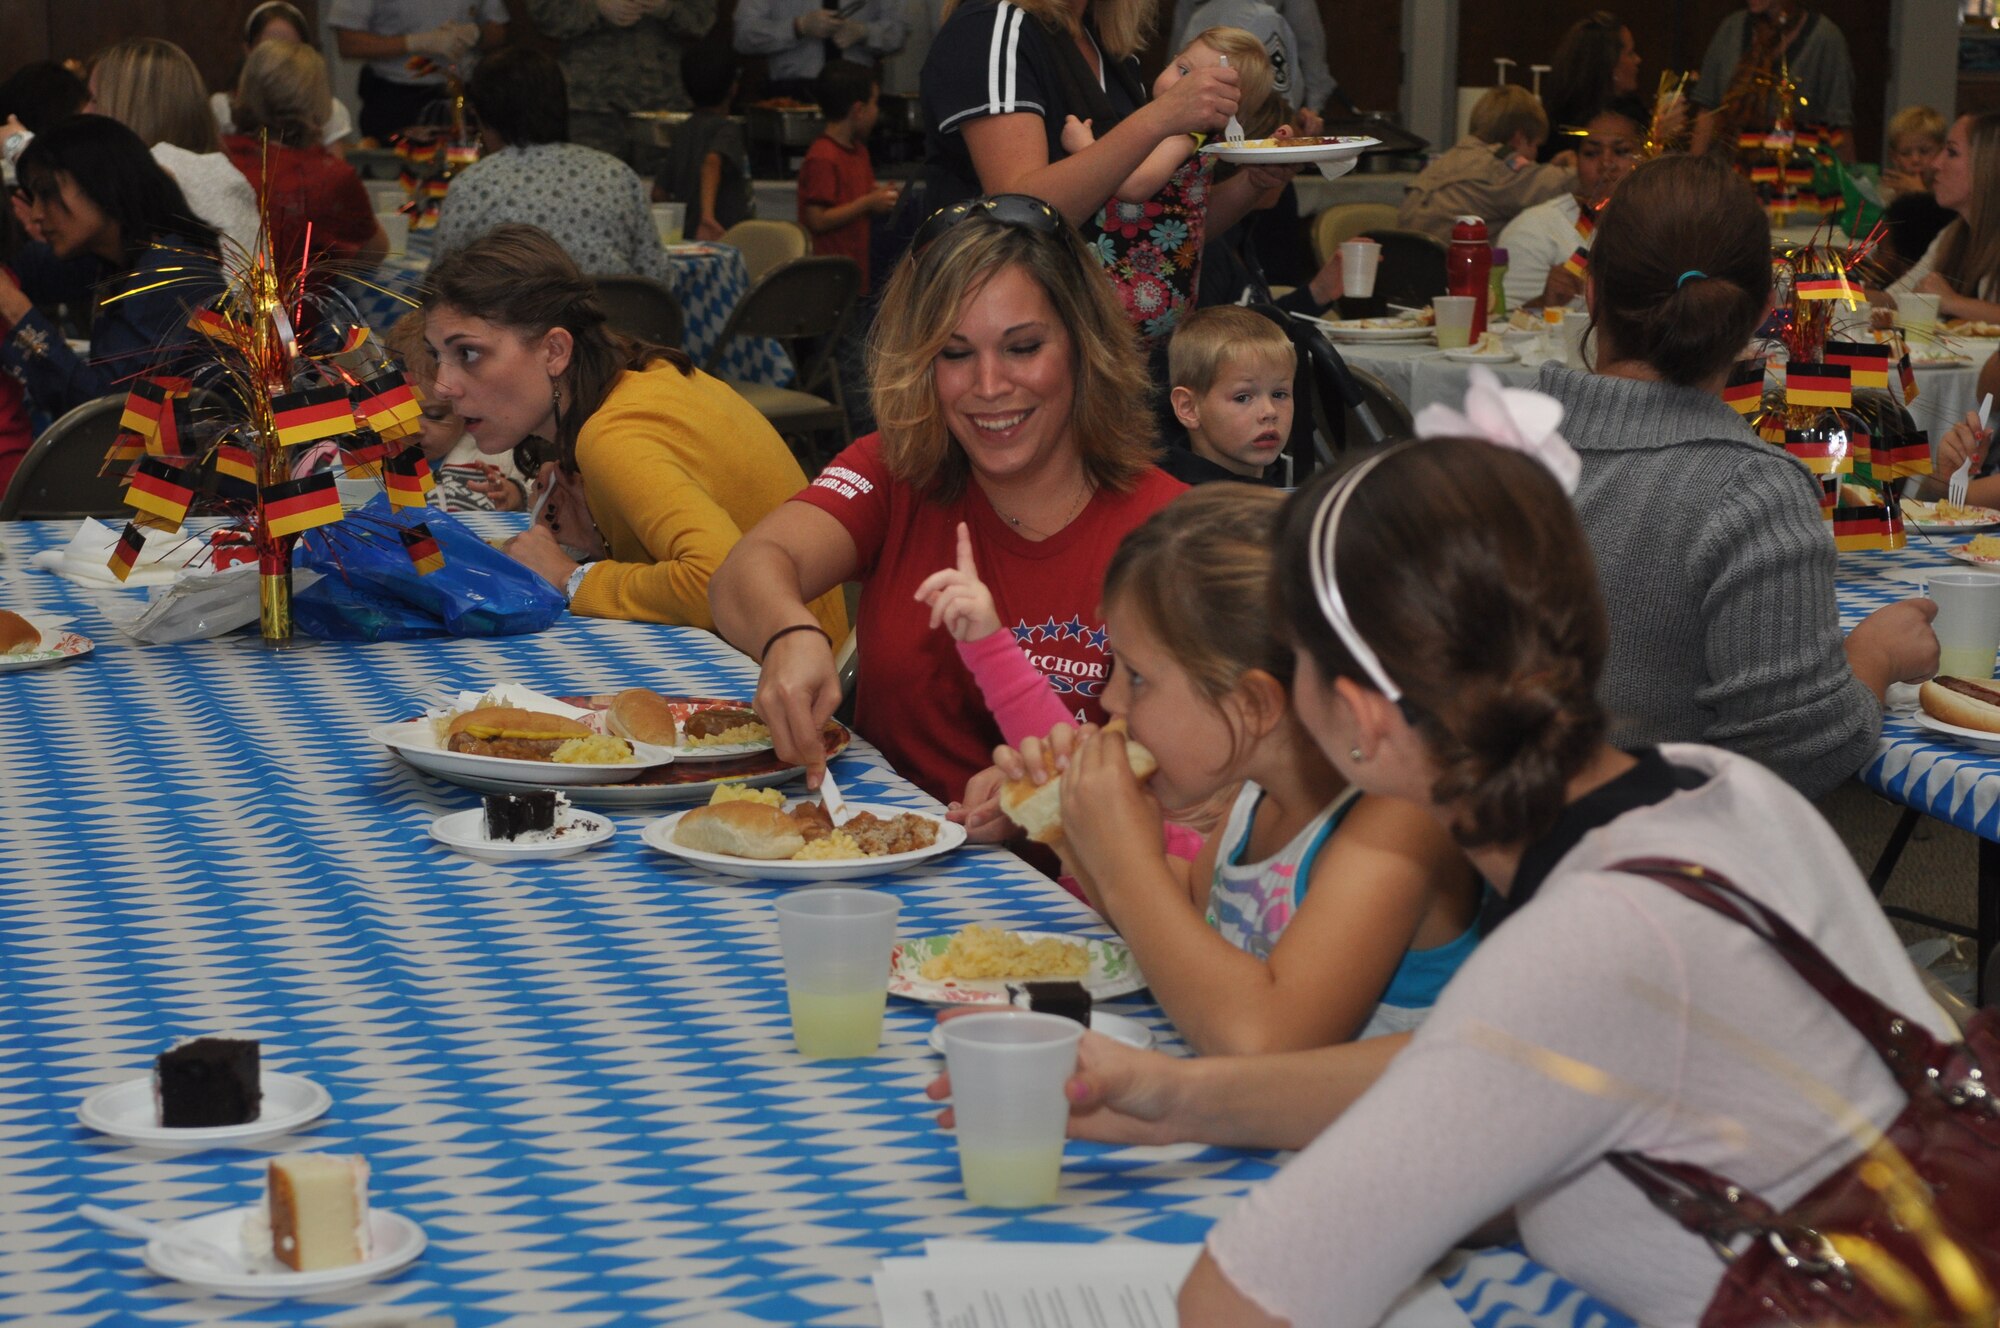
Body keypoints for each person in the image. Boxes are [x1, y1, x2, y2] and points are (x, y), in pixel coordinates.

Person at [936, 425, 1958, 1327]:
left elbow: (1236, 1301)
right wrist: (1182, 1095)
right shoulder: (1714, 784)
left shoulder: (1585, 945)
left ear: (1362, 722)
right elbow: (1465, 1063)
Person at [708, 196, 1186, 804]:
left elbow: (1191, 792)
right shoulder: (894, 469)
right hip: (874, 855)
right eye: (955, 354)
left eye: (1022, 348)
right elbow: (744, 571)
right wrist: (787, 633)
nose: (988, 387)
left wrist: (1045, 798)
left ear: (1084, 346)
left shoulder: (1171, 533)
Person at [995, 485, 1482, 1052]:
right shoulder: (1257, 797)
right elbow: (1185, 927)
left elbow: (1264, 1038)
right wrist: (1072, 826)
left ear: (1252, 705)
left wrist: (1125, 864)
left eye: (1136, 677)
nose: (1109, 702)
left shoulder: (1396, 824)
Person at [1538, 153, 1936, 799]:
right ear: (1765, 312)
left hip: (1477, 862)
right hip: (1657, 866)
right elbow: (1799, 752)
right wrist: (1876, 657)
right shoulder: (1749, 494)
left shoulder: (1486, 451)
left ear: (1591, 292)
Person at [423, 223, 847, 634]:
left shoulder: (612, 433)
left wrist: (572, 576)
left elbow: (719, 583)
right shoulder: (640, 372)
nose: (443, 385)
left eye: (469, 353)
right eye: (438, 355)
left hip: (777, 681)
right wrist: (602, 540)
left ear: (555, 350)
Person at [913, 0, 1287, 244]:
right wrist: (1162, 116)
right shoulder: (993, 27)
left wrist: (1251, 185)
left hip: (1096, 326)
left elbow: (1164, 229)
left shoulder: (1109, 48)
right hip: (999, 316)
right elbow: (1016, 212)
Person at [1061, 26, 1283, 342]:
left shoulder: (1183, 134)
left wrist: (1084, 145)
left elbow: (1135, 187)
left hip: (1138, 291)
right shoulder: (1186, 131)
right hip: (1156, 287)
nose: (1182, 90)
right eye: (1182, 70)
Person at [0, 116, 221, 420]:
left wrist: (17, 312)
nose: (36, 213)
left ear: (100, 182)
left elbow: (103, 418)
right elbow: (31, 270)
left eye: (47, 192)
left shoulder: (171, 274)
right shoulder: (120, 255)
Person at [434, 47, 674, 286]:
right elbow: (656, 279)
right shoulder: (617, 174)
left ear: (487, 116)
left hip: (516, 321)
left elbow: (438, 288)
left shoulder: (473, 185)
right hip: (611, 321)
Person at [81, 40, 262, 257]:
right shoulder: (222, 175)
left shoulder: (151, 181)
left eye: (95, 100)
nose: (84, 112)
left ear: (132, 108)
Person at [223, 41, 387, 267]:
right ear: (317, 99)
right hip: (296, 301)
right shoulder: (330, 176)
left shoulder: (218, 156)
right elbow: (374, 253)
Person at [1496, 95, 1643, 312]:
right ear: (1576, 160)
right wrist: (1544, 302)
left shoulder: (1663, 227)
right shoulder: (1536, 228)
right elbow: (1500, 326)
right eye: (1592, 153)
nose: (1606, 164)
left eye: (1621, 152)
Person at [522, 0, 720, 160]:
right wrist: (596, 7)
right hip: (591, 106)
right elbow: (544, 13)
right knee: (590, 193)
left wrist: (668, 8)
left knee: (663, 199)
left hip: (661, 103)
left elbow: (703, 19)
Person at [384, 310, 526, 513]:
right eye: (398, 414)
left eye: (434, 415)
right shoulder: (370, 460)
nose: (413, 427)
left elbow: (545, 501)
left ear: (466, 408)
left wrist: (516, 494)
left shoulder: (499, 452)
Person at [1397, 85, 1575, 242]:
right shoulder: (1499, 167)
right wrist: (1575, 164)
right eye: (1536, 145)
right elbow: (1574, 183)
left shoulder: (1447, 160)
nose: (1536, 155)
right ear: (1518, 139)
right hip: (1460, 275)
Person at [1689, 0, 1854, 162]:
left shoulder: (1824, 39)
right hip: (1729, 173)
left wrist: (1849, 182)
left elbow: (1839, 128)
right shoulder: (1732, 29)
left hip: (1795, 175)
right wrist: (1693, 176)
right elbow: (1707, 111)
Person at [1880, 113, 2000, 327]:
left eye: (1952, 152)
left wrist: (1952, 302)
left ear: (1987, 165)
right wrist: (1835, 290)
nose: (1935, 163)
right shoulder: (1953, 234)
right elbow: (1895, 298)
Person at [329, 0, 507, 143]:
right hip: (398, 98)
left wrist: (477, 33)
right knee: (398, 175)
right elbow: (348, 42)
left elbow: (499, 30)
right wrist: (416, 42)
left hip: (465, 95)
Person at [1158, 307, 1293, 485]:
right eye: (1243, 397)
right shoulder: (1184, 504)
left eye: (1279, 394)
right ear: (1188, 408)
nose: (1270, 411)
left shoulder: (1281, 477)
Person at [800, 61, 900, 291]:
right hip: (827, 283)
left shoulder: (859, 151)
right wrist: (867, 203)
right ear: (858, 110)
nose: (877, 111)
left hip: (854, 276)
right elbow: (817, 219)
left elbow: (852, 194)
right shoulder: (823, 157)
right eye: (874, 103)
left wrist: (880, 196)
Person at [212, 3, 356, 150]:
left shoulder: (327, 109)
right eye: (269, 49)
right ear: (248, 51)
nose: (281, 60)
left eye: (291, 47)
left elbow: (334, 165)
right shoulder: (222, 108)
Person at [658, 49, 754, 241]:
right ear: (733, 88)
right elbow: (712, 161)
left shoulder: (684, 129)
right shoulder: (727, 129)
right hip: (722, 235)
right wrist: (707, 217)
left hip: (688, 238)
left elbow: (659, 192)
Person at [1170, 0, 1326, 115]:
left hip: (1192, 117)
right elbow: (1281, 101)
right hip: (1254, 127)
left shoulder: (1197, 16)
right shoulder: (1262, 18)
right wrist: (1313, 107)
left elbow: (1173, 63)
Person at [734, 0, 907, 103]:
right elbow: (743, 35)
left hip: (857, 98)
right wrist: (796, 28)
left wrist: (865, 33)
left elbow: (898, 34)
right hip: (793, 96)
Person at [1882, 104, 1945, 203]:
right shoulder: (1885, 196)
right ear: (1894, 158)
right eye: (1905, 153)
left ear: (1942, 152)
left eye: (1924, 151)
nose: (1916, 160)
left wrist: (1920, 195)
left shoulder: (1950, 194)